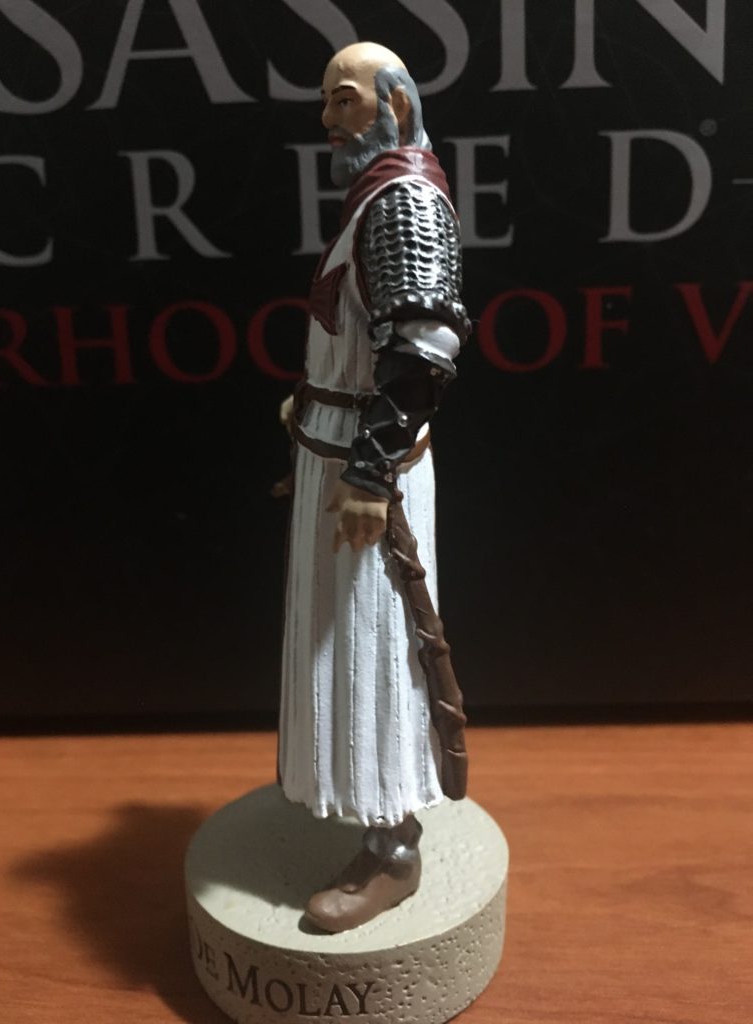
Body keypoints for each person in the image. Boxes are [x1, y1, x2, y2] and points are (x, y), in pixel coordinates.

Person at [278, 42, 469, 933]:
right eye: (327, 100)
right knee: (337, 647)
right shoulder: (375, 197)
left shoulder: (403, 202)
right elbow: (364, 331)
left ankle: (393, 850)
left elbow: (424, 346)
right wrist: (315, 400)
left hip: (366, 485)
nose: (328, 119)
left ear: (393, 106)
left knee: (375, 651)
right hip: (339, 457)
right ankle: (369, 822)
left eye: (344, 100)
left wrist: (368, 472)